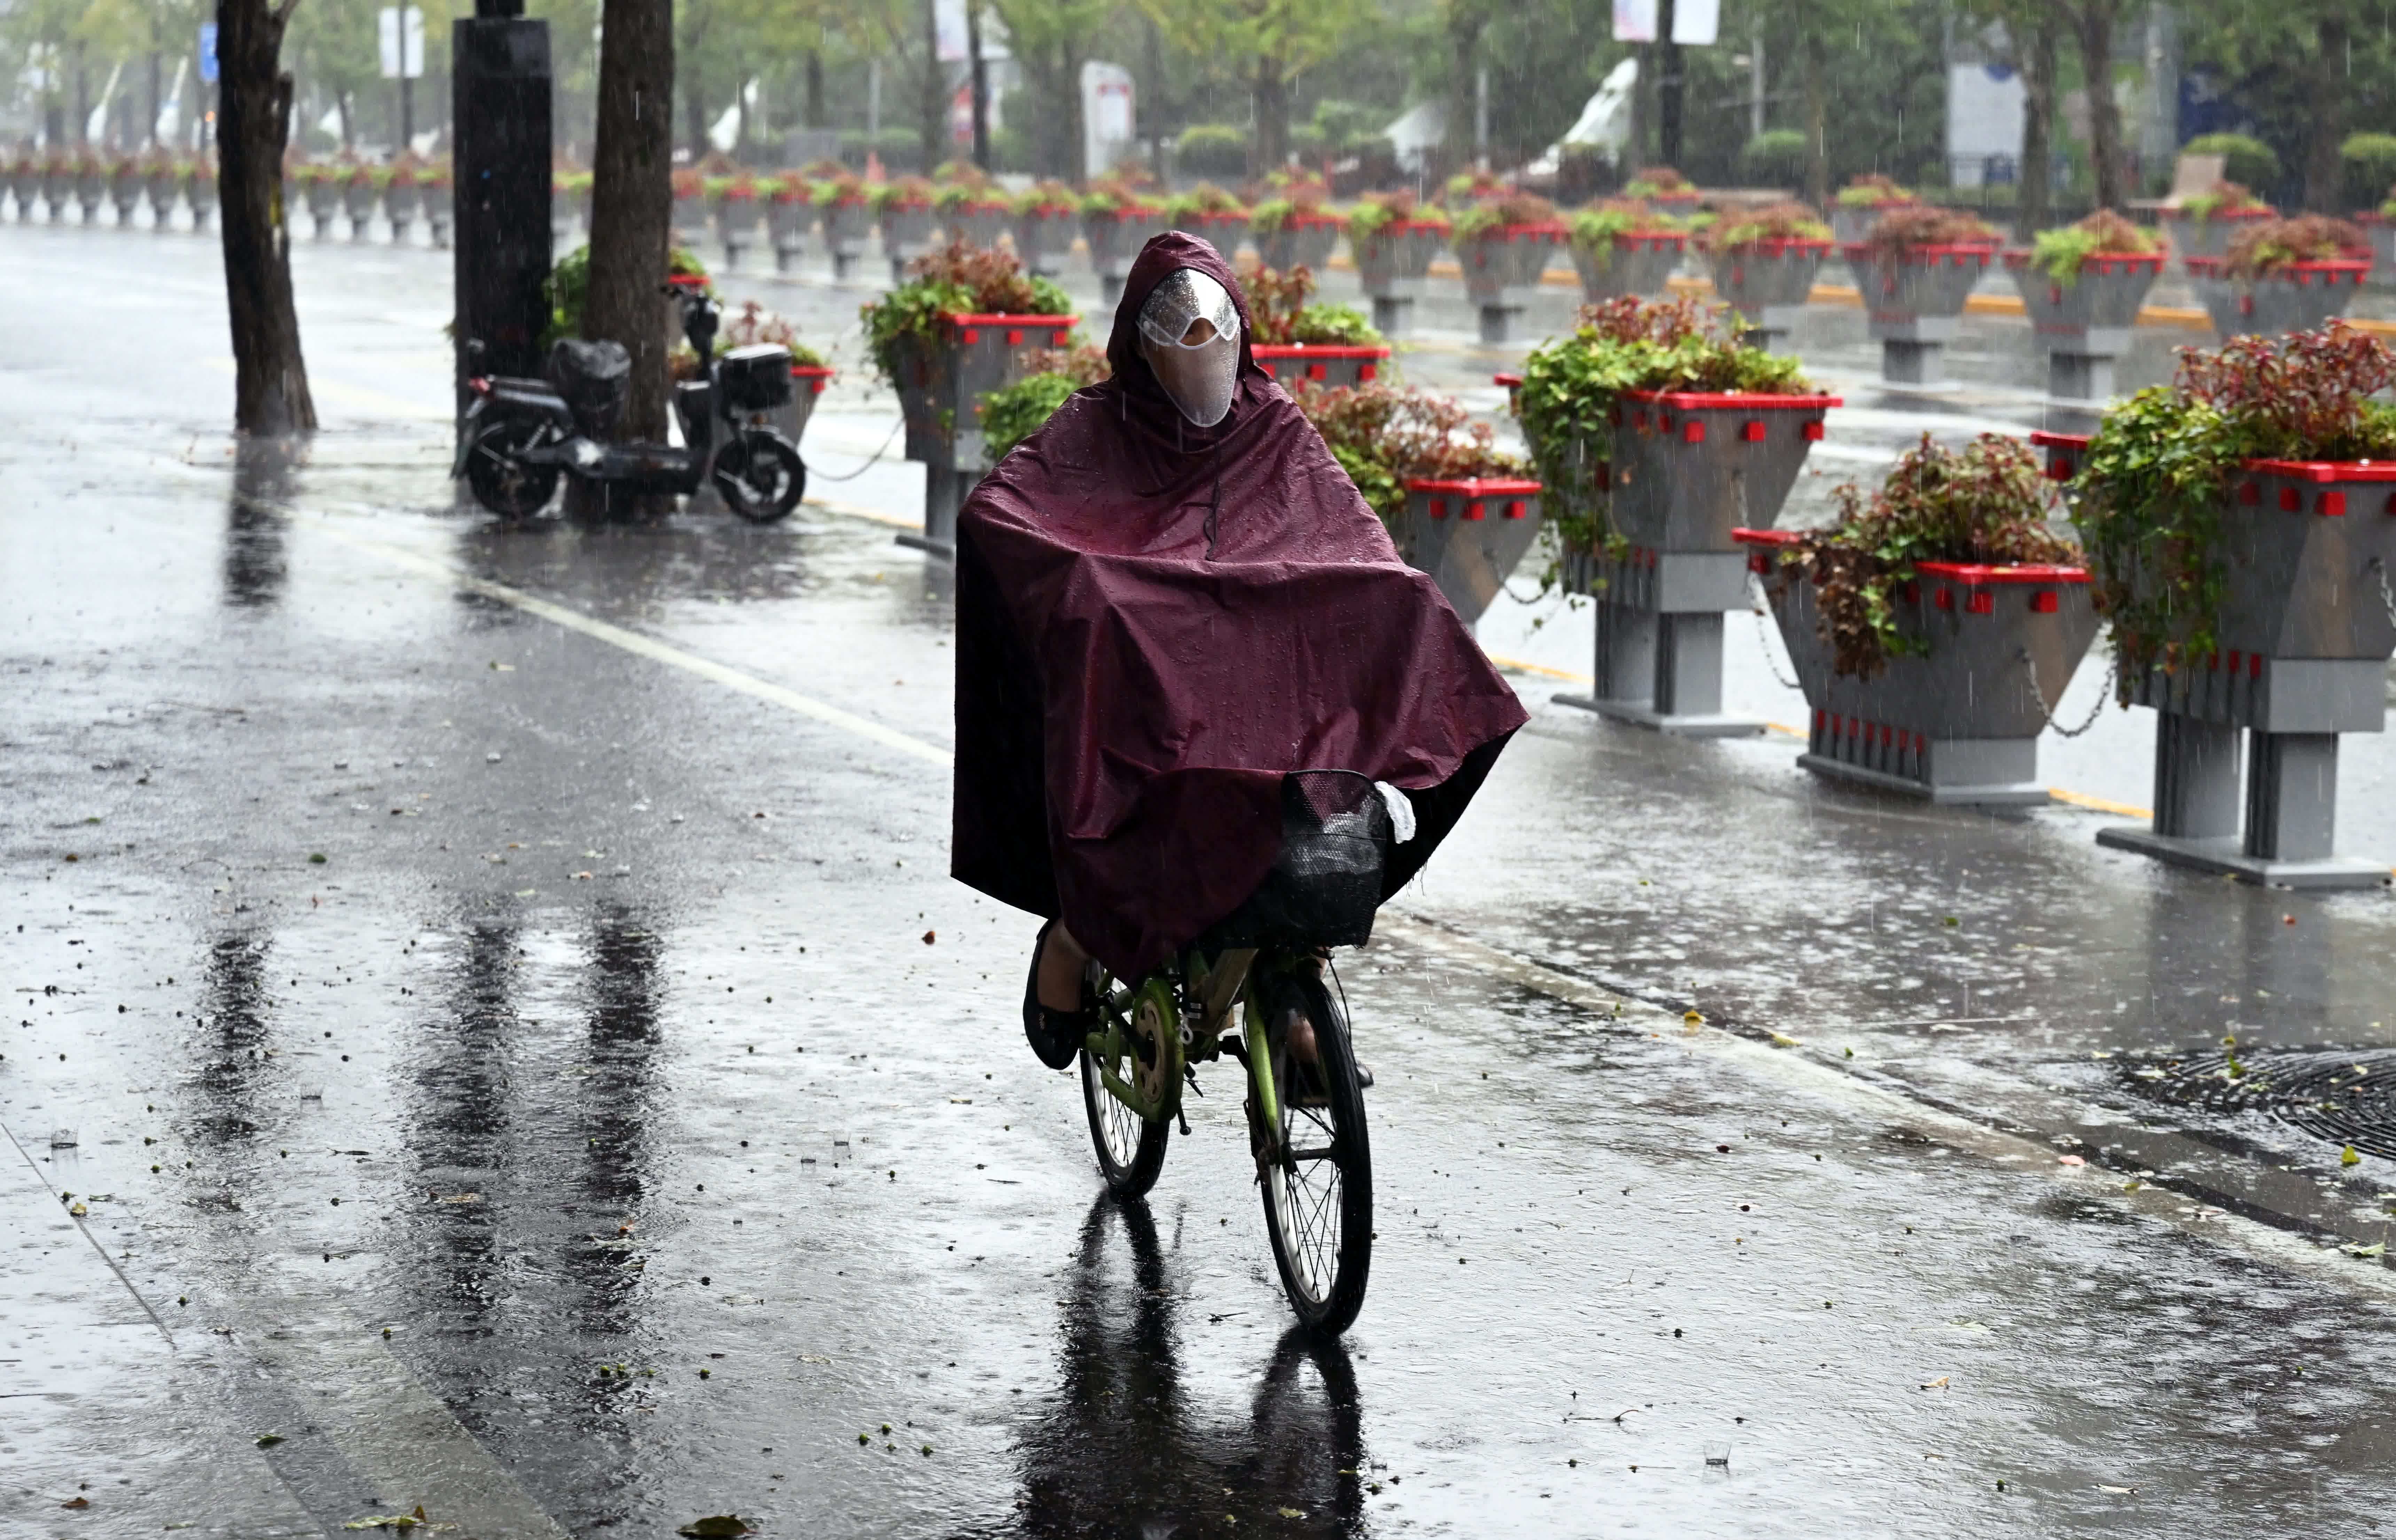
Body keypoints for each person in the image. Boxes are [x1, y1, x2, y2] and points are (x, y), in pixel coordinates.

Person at [949, 232, 1526, 1070]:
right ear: (1139, 346)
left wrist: (1390, 593)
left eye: (1216, 338)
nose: (1202, 362)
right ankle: (1075, 938)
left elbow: (1351, 538)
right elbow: (999, 511)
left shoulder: (1272, 425)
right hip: (1158, 703)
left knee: (1404, 612)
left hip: (1261, 690)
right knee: (1134, 797)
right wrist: (1093, 583)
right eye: (1180, 340)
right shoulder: (1096, 426)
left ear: (1242, 336)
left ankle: (1291, 988)